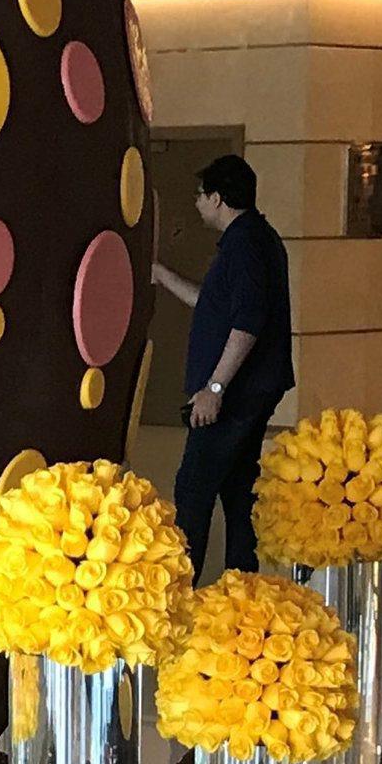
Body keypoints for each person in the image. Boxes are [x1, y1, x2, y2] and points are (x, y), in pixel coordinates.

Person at [152, 153, 296, 578]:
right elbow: (211, 306)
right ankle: (240, 586)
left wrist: (214, 389)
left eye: (200, 196)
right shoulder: (255, 239)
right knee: (237, 490)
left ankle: (182, 591)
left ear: (218, 198)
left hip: (236, 394)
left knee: (194, 488)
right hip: (249, 392)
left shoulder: (246, 246)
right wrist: (160, 274)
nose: (196, 204)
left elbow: (247, 323)